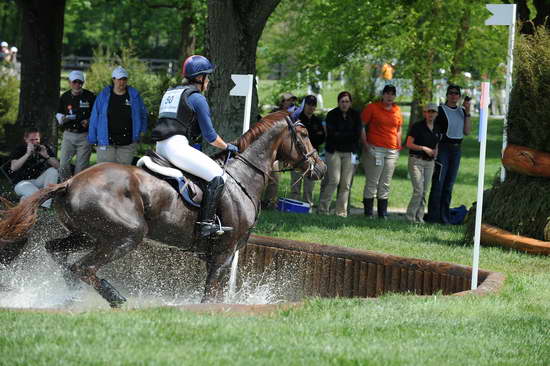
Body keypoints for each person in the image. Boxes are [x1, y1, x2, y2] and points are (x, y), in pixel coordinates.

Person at [151, 55, 239, 237]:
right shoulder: (197, 98)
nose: (209, 81)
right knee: (219, 176)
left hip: (159, 147)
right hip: (176, 148)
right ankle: (206, 224)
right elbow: (210, 136)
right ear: (200, 78)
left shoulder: (171, 92)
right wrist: (227, 146)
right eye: (208, 76)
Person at [425, 84, 472, 224]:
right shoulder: (440, 110)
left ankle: (444, 216)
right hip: (444, 148)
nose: (453, 96)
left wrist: (468, 111)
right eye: (451, 93)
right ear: (447, 95)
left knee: (449, 185)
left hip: (456, 149)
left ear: (459, 96)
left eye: (456, 93)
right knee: (439, 182)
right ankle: (434, 216)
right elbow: (434, 132)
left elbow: (467, 131)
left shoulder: (462, 111)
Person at [88, 66, 148, 165]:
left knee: (123, 175)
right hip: (106, 142)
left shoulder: (134, 96)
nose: (122, 82)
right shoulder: (104, 95)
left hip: (127, 143)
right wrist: (92, 138)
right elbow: (95, 116)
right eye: (119, 79)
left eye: (124, 79)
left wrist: (142, 131)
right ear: (113, 79)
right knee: (105, 172)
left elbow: (143, 114)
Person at [360, 84, 403, 219]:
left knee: (385, 183)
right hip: (375, 149)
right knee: (372, 182)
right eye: (387, 93)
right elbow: (361, 126)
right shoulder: (372, 107)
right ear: (382, 94)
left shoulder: (397, 110)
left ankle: (382, 214)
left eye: (392, 94)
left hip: (391, 151)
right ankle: (368, 214)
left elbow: (398, 129)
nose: (390, 96)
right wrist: (366, 145)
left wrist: (398, 146)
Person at [318, 91, 362, 217]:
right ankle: (323, 209)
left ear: (350, 103)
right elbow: (331, 134)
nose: (344, 104)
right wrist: (347, 135)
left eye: (347, 101)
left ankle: (341, 212)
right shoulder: (332, 114)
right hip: (333, 152)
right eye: (342, 101)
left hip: (349, 153)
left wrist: (340, 135)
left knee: (346, 184)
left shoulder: (355, 115)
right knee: (334, 181)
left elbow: (357, 134)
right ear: (338, 102)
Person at [55, 70, 96, 180]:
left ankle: (77, 192)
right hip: (68, 134)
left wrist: (89, 121)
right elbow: (58, 113)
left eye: (80, 82)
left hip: (84, 136)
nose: (77, 85)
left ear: (83, 82)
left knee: (81, 169)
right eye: (75, 82)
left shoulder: (90, 96)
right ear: (69, 82)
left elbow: (97, 114)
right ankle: (64, 187)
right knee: (63, 165)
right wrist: (62, 118)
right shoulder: (65, 96)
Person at [6, 128, 59, 208]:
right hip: (21, 183)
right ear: (25, 139)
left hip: (38, 181)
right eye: (31, 140)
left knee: (53, 171)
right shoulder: (20, 148)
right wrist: (27, 154)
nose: (35, 142)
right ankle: (45, 207)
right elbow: (13, 167)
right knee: (36, 194)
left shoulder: (43, 148)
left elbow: (58, 166)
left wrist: (47, 156)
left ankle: (28, 202)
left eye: (37, 139)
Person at [405, 103, 440, 223]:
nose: (431, 114)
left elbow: (436, 143)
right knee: (418, 190)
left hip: (430, 163)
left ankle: (419, 217)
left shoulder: (437, 128)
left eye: (433, 112)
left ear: (436, 114)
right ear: (424, 113)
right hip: (416, 160)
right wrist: (424, 148)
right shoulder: (417, 126)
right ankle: (410, 217)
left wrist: (435, 151)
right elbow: (409, 144)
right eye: (428, 111)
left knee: (425, 191)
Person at [262, 92, 297, 209]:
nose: (291, 102)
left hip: (281, 152)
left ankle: (270, 203)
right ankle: (264, 202)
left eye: (293, 100)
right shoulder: (274, 114)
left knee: (275, 180)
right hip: (270, 151)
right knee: (270, 178)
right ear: (282, 102)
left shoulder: (292, 116)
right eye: (288, 100)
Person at [289, 95, 325, 207]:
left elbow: (322, 137)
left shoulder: (317, 121)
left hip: (312, 154)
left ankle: (307, 205)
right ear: (305, 105)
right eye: (309, 104)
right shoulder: (297, 118)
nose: (311, 107)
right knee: (296, 181)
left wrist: (311, 138)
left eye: (313, 105)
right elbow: (292, 136)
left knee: (310, 183)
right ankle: (294, 204)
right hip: (297, 154)